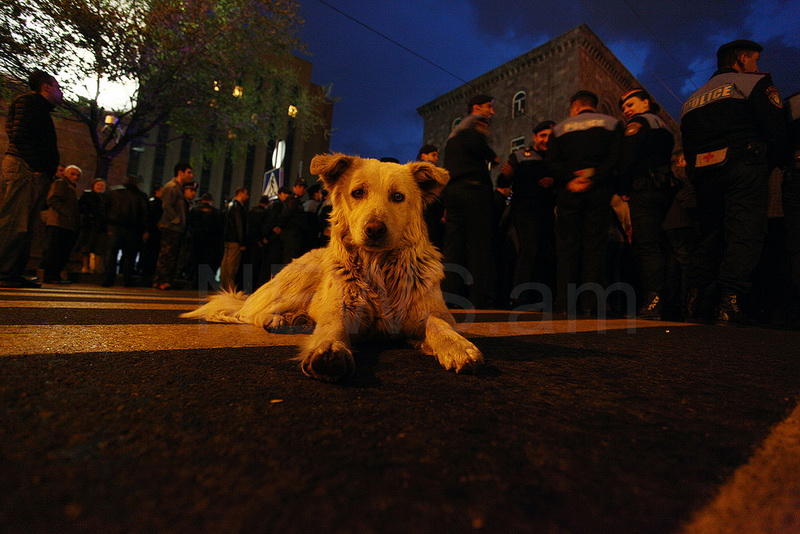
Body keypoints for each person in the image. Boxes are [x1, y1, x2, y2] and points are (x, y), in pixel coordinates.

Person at [680, 39, 789, 323]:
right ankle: (731, 301)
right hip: (744, 166)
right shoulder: (753, 83)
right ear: (741, 58)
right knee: (744, 231)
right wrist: (774, 162)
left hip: (705, 173)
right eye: (754, 60)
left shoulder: (692, 99)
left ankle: (695, 299)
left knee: (709, 235)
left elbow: (688, 145)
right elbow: (776, 129)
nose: (756, 65)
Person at [548, 90, 623, 316]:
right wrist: (593, 177)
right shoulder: (611, 124)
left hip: (569, 193)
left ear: (575, 106)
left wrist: (571, 179)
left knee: (567, 248)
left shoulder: (559, 129)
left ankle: (565, 304)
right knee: (595, 247)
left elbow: (551, 163)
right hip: (598, 192)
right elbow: (616, 158)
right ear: (593, 105)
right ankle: (591, 304)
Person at [0, 70, 63, 288]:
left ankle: (13, 271)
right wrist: (36, 166)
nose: (60, 92)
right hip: (25, 169)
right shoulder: (28, 102)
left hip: (31, 170)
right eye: (57, 87)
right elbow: (19, 134)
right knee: (15, 222)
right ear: (46, 87)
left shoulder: (38, 107)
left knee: (24, 224)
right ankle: (4, 272)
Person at [618, 89, 676, 319]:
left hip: (644, 189)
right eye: (624, 107)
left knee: (647, 245)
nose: (626, 110)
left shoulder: (639, 123)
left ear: (646, 103)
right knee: (663, 246)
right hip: (664, 188)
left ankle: (653, 300)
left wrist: (623, 188)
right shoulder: (663, 125)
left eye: (630, 104)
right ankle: (669, 301)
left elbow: (627, 156)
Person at [441, 94, 499, 308]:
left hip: (454, 192)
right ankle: (480, 297)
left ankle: (450, 294)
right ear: (476, 108)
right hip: (474, 191)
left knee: (454, 245)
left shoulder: (453, 136)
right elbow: (480, 149)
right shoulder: (472, 129)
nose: (492, 112)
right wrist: (492, 156)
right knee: (479, 244)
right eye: (488, 107)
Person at [500, 120, 557, 306]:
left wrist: (553, 182)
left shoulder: (556, 157)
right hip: (524, 210)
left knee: (546, 252)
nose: (546, 140)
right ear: (535, 137)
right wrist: (506, 174)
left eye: (549, 136)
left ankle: (541, 297)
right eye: (542, 136)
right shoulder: (520, 156)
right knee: (528, 250)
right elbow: (503, 181)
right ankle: (520, 297)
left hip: (547, 211)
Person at [153, 163, 194, 290]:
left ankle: (166, 280)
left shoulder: (179, 188)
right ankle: (161, 280)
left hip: (177, 228)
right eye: (189, 172)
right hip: (170, 227)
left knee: (172, 255)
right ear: (180, 173)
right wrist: (176, 218)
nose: (191, 175)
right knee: (167, 254)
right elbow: (166, 205)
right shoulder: (172, 187)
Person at [102, 175, 148, 287]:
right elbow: (144, 214)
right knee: (130, 256)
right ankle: (127, 280)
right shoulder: (141, 196)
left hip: (114, 226)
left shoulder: (113, 193)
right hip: (133, 229)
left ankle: (109, 279)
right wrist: (144, 230)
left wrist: (105, 225)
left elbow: (104, 210)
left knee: (111, 254)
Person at [40, 164, 80, 283]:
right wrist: (67, 212)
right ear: (66, 174)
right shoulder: (61, 183)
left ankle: (55, 275)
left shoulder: (71, 187)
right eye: (72, 174)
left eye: (78, 175)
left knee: (62, 251)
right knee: (54, 250)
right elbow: (53, 199)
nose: (75, 177)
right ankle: (50, 276)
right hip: (58, 222)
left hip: (66, 223)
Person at [187, 192, 223, 288]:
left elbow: (190, 225)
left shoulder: (194, 210)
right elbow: (220, 229)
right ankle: (207, 283)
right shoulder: (217, 212)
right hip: (211, 242)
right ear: (211, 201)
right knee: (209, 262)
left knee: (196, 261)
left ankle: (195, 282)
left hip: (197, 240)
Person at [220, 187, 249, 290]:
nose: (247, 196)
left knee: (226, 263)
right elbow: (239, 225)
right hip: (235, 240)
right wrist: (242, 242)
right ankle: (229, 287)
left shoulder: (230, 205)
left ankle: (224, 285)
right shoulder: (237, 207)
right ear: (240, 193)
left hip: (228, 238)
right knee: (232, 265)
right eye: (246, 194)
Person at [76, 178, 108, 274]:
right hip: (89, 225)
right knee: (86, 247)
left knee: (99, 248)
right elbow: (81, 207)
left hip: (101, 227)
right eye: (98, 185)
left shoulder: (106, 198)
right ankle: (85, 266)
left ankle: (97, 268)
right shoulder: (87, 195)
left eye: (102, 185)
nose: (100, 187)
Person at [418, 143, 445, 250]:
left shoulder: (436, 171)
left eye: (437, 155)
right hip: (426, 211)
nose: (436, 158)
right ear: (423, 156)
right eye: (433, 155)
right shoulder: (418, 173)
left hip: (434, 211)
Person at [138, 185, 163, 280]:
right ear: (157, 191)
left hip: (152, 231)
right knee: (150, 252)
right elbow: (151, 217)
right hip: (153, 231)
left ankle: (144, 270)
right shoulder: (155, 202)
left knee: (149, 252)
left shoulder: (152, 201)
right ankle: (146, 271)